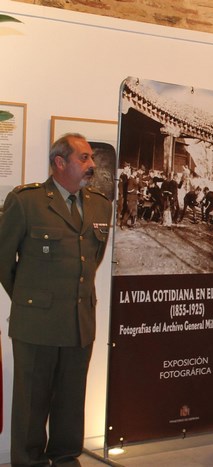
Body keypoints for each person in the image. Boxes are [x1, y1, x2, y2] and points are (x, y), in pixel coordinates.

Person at [0, 133, 112, 466]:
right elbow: (3, 261)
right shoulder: (25, 202)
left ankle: (65, 459)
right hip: (36, 324)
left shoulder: (99, 204)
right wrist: (31, 299)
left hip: (79, 322)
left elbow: (92, 259)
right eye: (83, 158)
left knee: (70, 402)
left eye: (91, 157)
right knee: (31, 404)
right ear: (59, 163)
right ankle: (29, 461)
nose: (91, 164)